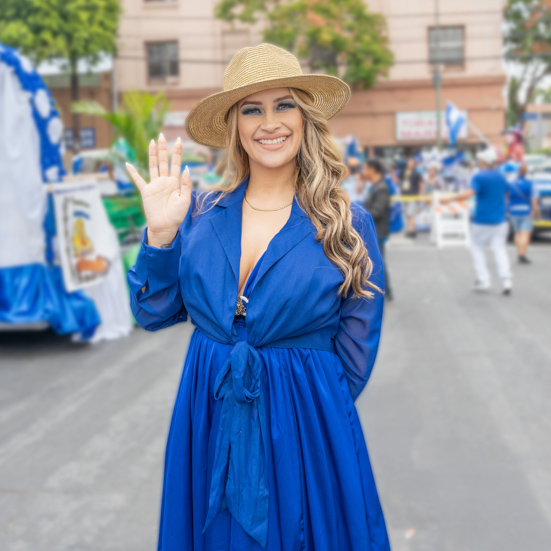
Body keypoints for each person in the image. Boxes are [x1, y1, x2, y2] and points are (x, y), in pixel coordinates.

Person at [125, 44, 390, 551]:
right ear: (236, 126)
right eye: (252, 109)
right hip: (207, 418)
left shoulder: (346, 224)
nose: (270, 123)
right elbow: (152, 312)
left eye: (283, 105)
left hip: (307, 427)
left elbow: (356, 354)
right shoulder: (199, 214)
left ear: (304, 117)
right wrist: (161, 237)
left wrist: (300, 413)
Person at [441, 146, 513, 295]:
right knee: (499, 249)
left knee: (477, 249)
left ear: (484, 161)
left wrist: (449, 199)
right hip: (500, 220)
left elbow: (469, 193)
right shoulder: (501, 176)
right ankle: (506, 280)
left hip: (482, 220)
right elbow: (507, 194)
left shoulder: (479, 177)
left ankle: (483, 279)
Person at [363, 158, 393, 301]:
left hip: (378, 231)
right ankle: (384, 292)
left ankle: (386, 292)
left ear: (372, 170)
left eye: (365, 168)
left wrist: (360, 214)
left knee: (378, 262)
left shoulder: (381, 188)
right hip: (374, 231)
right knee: (376, 261)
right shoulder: (375, 186)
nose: (363, 171)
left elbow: (378, 211)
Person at [508, 162, 538, 264]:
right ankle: (522, 255)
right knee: (525, 234)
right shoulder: (531, 183)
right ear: (526, 172)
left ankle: (519, 253)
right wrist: (534, 210)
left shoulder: (511, 183)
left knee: (517, 233)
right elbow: (534, 198)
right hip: (526, 211)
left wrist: (507, 209)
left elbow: (507, 197)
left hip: (513, 211)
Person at [400, 156, 424, 237]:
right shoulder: (404, 173)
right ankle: (410, 229)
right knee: (407, 214)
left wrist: (420, 196)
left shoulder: (417, 174)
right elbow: (399, 181)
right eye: (408, 163)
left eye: (411, 163)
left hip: (413, 197)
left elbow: (421, 185)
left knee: (411, 213)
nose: (409, 165)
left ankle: (412, 231)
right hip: (404, 197)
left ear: (414, 165)